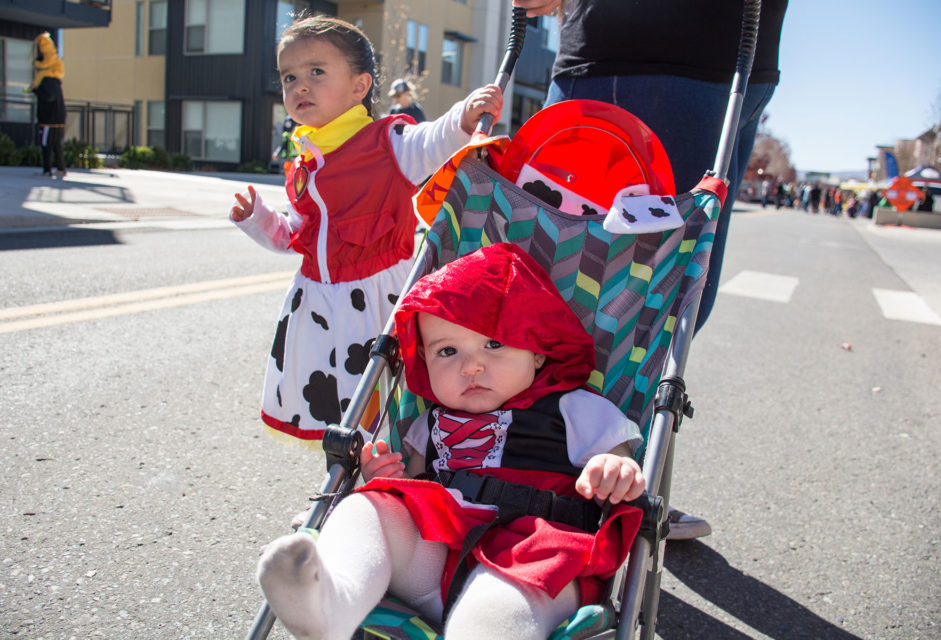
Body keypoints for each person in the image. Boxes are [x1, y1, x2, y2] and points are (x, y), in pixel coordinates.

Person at [257, 243, 646, 640]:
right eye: (447, 351)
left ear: (539, 352)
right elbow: (411, 493)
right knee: (370, 509)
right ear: (424, 360)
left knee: (499, 605)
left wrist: (616, 469)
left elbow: (623, 462)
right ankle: (332, 602)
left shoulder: (575, 408)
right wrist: (384, 479)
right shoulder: (429, 425)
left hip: (537, 553)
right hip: (436, 561)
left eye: (494, 344)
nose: (471, 365)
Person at [514, 0, 787, 541]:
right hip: (637, 45)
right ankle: (542, 473)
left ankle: (622, 480)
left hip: (742, 56)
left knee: (679, 296)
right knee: (598, 293)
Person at [230, 15, 502, 444]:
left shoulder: (386, 142)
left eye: (316, 72)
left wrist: (462, 119)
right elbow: (294, 237)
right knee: (332, 404)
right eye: (289, 77)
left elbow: (430, 142)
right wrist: (256, 219)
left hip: (374, 301)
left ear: (359, 87)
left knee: (380, 402)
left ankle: (384, 485)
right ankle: (337, 488)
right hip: (316, 305)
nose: (300, 86)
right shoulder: (304, 165)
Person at [27, 32, 67, 179]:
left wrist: (35, 90)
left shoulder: (45, 79)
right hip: (59, 118)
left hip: (49, 120)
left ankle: (47, 170)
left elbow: (48, 97)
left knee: (47, 146)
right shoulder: (55, 79)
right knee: (57, 146)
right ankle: (61, 169)